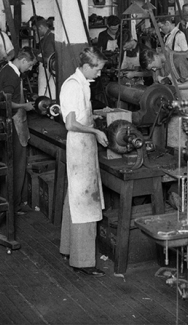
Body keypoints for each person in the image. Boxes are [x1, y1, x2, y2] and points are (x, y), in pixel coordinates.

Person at [59, 47, 109, 277]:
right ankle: (84, 262)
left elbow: (79, 116)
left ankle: (69, 249)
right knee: (86, 205)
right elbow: (70, 124)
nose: (99, 74)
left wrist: (95, 117)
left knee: (75, 200)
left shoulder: (82, 85)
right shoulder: (72, 86)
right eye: (97, 69)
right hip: (79, 147)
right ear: (87, 66)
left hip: (84, 147)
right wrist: (95, 132)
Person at [0, 47, 37, 213]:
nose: (30, 69)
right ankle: (14, 205)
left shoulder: (6, 69)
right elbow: (7, 102)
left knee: (8, 164)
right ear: (23, 61)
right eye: (30, 65)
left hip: (5, 122)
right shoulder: (13, 75)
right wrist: (25, 105)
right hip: (15, 124)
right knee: (17, 166)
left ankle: (7, 201)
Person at [34, 17, 56, 99]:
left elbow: (50, 59)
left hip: (49, 70)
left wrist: (37, 58)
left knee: (48, 95)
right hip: (45, 70)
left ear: (41, 28)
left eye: (36, 31)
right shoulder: (46, 38)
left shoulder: (50, 38)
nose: (36, 33)